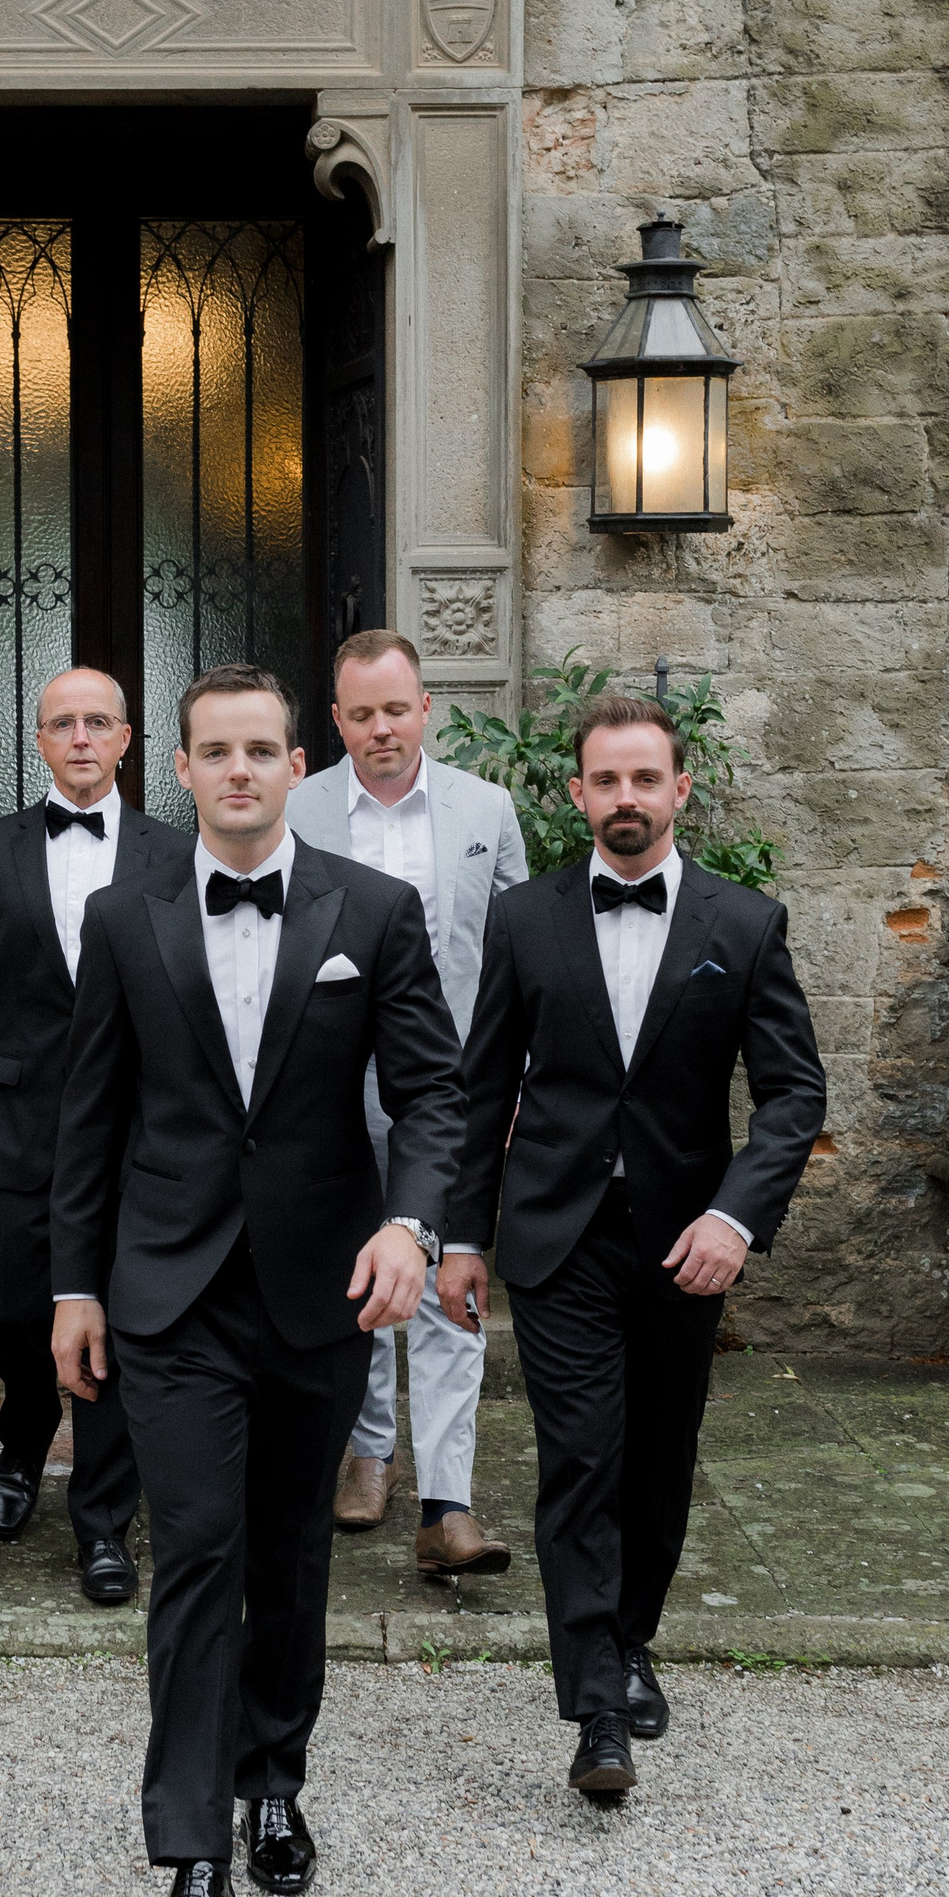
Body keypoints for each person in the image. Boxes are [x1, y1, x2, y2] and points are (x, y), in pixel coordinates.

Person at [51, 664, 466, 1897]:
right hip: (169, 1294)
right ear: (179, 768)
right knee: (197, 1550)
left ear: (298, 763)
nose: (239, 770)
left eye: (260, 749)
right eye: (215, 751)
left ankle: (273, 1776)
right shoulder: (124, 917)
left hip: (317, 1290)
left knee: (290, 1553)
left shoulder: (373, 911)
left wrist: (410, 1224)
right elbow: (89, 1119)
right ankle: (190, 1860)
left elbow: (434, 1093)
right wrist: (74, 1285)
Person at [440, 693, 825, 1797]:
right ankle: (597, 1707)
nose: (625, 797)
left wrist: (735, 1216)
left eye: (644, 778)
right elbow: (480, 1091)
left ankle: (633, 1636)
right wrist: (462, 1235)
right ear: (576, 793)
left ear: (679, 789)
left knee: (658, 1461)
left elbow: (795, 1093)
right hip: (557, 1235)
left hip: (683, 1242)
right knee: (580, 1459)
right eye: (605, 779)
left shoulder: (743, 924)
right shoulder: (526, 919)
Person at [0, 666, 185, 1603]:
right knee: (10, 1310)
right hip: (16, 1123)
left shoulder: (175, 852)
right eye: (63, 723)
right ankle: (27, 1427)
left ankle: (103, 1522)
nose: (81, 737)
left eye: (98, 722)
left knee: (119, 1319)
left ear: (126, 740)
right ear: (38, 740)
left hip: (137, 1131)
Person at [289, 627, 526, 1577]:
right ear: (336, 720)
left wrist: (517, 1083)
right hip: (331, 1090)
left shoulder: (486, 808)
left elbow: (516, 955)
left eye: (397, 708)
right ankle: (369, 1452)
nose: (382, 727)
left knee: (448, 1282)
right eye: (362, 713)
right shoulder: (298, 808)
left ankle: (450, 1500)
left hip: (450, 1089)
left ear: (426, 708)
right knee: (360, 1274)